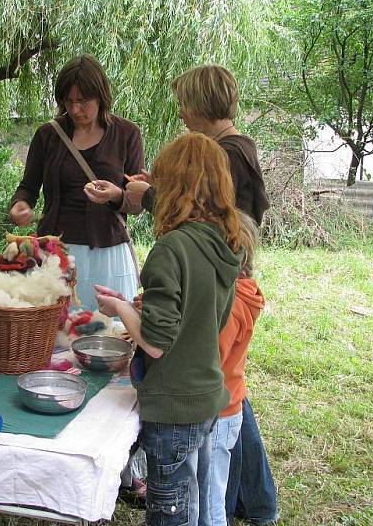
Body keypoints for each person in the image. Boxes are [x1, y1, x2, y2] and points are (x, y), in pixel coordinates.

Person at [127, 64, 277, 525]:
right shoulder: (238, 148)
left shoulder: (225, 155)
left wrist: (146, 194)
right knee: (225, 391)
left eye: (185, 103)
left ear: (201, 104)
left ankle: (245, 502)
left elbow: (198, 210)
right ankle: (256, 502)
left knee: (222, 394)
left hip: (224, 288)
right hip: (229, 280)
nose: (181, 112)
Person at [96, 132, 245, 526]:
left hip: (173, 403)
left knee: (171, 513)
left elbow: (157, 344)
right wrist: (147, 307)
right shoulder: (226, 243)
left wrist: (121, 307)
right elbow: (202, 311)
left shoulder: (172, 248)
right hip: (207, 394)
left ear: (174, 188)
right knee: (192, 503)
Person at [9, 54, 144, 309]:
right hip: (55, 253)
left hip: (109, 254)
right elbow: (27, 188)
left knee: (111, 334)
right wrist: (20, 204)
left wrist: (117, 195)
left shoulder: (127, 134)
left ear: (101, 96)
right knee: (54, 336)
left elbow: (138, 202)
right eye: (68, 101)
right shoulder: (48, 135)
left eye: (82, 101)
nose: (75, 110)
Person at [199, 212, 264, 526]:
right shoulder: (238, 294)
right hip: (226, 406)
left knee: (210, 499)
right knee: (207, 490)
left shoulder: (232, 304)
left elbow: (209, 358)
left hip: (219, 412)